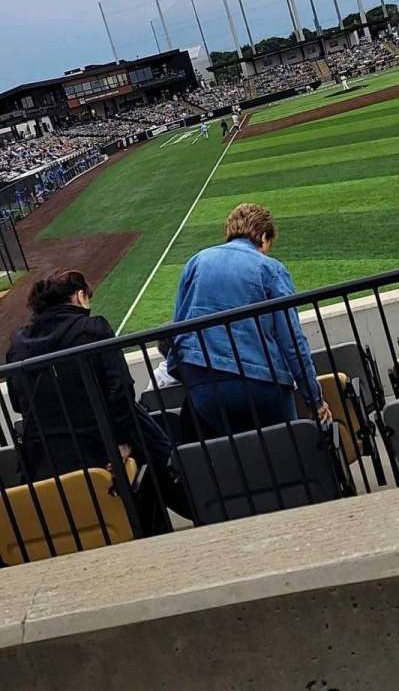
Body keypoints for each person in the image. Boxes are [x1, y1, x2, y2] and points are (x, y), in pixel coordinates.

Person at [7, 270, 188, 529]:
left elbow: (16, 403)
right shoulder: (93, 329)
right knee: (158, 458)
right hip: (100, 449)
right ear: (80, 296)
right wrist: (121, 442)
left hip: (45, 459)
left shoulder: (18, 344)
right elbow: (121, 389)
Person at [168, 203, 331, 437]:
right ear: (264, 237)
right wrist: (314, 399)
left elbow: (178, 330)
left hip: (203, 386)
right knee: (290, 453)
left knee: (239, 460)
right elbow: (292, 340)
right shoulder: (269, 268)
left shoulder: (196, 262)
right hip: (260, 384)